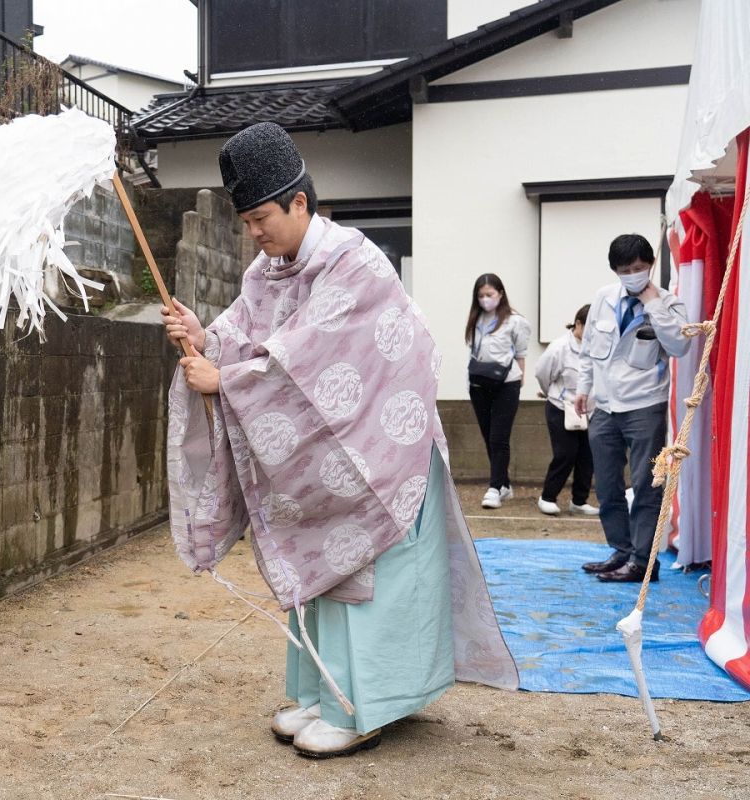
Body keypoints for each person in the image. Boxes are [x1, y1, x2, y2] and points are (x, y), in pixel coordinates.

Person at [161, 122, 516, 759]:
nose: (254, 233)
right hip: (325, 460)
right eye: (246, 222)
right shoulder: (266, 271)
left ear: (300, 201)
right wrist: (206, 338)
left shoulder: (356, 263)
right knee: (319, 568)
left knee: (370, 577)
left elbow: (312, 358)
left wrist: (229, 380)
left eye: (262, 217)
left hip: (383, 458)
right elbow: (251, 339)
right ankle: (324, 693)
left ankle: (368, 704)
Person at [575, 234, 691, 583]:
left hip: (644, 406)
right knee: (608, 486)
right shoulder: (603, 297)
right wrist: (583, 389)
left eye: (639, 268)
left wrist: (654, 304)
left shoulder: (670, 304)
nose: (633, 274)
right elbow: (589, 349)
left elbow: (679, 346)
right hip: (605, 406)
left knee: (646, 485)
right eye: (625, 270)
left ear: (651, 265)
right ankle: (622, 551)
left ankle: (643, 561)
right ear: (615, 271)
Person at [464, 274, 531, 509]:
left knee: (499, 437)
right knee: (487, 435)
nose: (485, 300)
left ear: (500, 294)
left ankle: (494, 488)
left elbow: (521, 354)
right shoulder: (476, 318)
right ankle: (503, 484)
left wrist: (520, 381)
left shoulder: (515, 321)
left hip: (506, 382)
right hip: (479, 382)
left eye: (489, 295)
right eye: (481, 295)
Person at [533, 305, 599, 516]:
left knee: (587, 456)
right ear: (578, 324)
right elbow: (543, 374)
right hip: (562, 407)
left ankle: (579, 500)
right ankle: (548, 497)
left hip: (590, 410)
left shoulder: (599, 347)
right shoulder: (559, 347)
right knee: (566, 453)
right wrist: (551, 394)